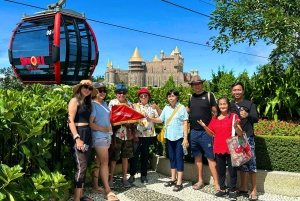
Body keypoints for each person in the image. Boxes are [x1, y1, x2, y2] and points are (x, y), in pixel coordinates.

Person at [198, 97, 243, 201]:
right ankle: (222, 189)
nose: (222, 106)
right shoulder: (215, 117)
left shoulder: (233, 116)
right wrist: (205, 127)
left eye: (224, 104)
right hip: (218, 147)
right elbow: (211, 133)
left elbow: (240, 133)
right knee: (221, 170)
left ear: (228, 105)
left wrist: (236, 127)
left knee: (232, 170)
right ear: (218, 106)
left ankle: (232, 190)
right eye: (220, 104)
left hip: (231, 147)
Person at [148, 89, 189, 192]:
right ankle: (173, 178)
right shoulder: (166, 108)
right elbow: (161, 120)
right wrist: (151, 119)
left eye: (173, 96)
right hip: (169, 137)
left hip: (179, 137)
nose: (171, 98)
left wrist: (185, 138)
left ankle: (179, 182)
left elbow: (185, 123)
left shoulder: (181, 108)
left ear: (177, 97)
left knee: (179, 158)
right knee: (172, 158)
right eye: (169, 96)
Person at [186, 75, 219, 191]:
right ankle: (200, 180)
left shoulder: (209, 95)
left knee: (210, 158)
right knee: (197, 157)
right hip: (194, 132)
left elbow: (216, 111)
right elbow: (186, 111)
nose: (197, 86)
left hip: (206, 132)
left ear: (202, 84)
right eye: (194, 84)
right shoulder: (191, 97)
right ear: (192, 86)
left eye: (199, 83)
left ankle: (216, 183)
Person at [68, 80, 98, 201]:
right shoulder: (74, 101)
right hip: (78, 133)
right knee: (81, 166)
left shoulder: (88, 103)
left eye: (90, 88)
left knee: (85, 164)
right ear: (80, 88)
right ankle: (76, 198)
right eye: (85, 87)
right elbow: (70, 121)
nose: (87, 90)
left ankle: (81, 195)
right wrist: (77, 138)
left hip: (87, 133)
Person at [89, 83, 119, 201]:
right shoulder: (93, 105)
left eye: (104, 90)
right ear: (95, 92)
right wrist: (104, 129)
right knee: (105, 161)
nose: (102, 92)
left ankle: (95, 186)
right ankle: (107, 190)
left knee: (97, 161)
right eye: (99, 90)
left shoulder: (104, 103)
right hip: (99, 136)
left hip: (106, 136)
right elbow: (91, 123)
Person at [230, 82, 259, 201]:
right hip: (236, 138)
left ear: (243, 91)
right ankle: (243, 186)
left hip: (247, 138)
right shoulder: (230, 105)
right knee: (240, 163)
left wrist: (247, 115)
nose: (237, 92)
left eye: (239, 90)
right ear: (232, 92)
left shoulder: (249, 104)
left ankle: (254, 190)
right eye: (234, 90)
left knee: (251, 164)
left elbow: (256, 118)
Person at [128, 88, 160, 184]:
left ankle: (143, 175)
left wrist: (156, 110)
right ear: (139, 98)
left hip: (148, 134)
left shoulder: (152, 108)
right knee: (134, 155)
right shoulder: (135, 106)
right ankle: (132, 174)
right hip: (137, 134)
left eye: (145, 96)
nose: (143, 97)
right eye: (141, 96)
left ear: (148, 97)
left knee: (145, 155)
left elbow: (160, 118)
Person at [108, 84, 134, 188]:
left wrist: (129, 123)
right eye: (119, 92)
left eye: (123, 92)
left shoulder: (130, 104)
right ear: (116, 94)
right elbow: (110, 118)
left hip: (127, 134)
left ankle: (124, 178)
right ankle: (110, 178)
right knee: (114, 157)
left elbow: (133, 118)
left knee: (125, 157)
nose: (122, 94)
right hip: (117, 134)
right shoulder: (112, 103)